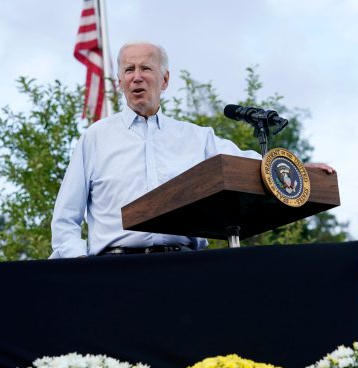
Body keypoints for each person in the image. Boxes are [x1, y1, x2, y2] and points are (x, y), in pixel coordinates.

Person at [50, 41, 334, 258]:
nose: (137, 76)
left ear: (164, 80)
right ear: (119, 82)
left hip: (188, 271)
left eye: (146, 68)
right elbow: (65, 220)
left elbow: (250, 167)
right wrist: (83, 268)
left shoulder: (196, 137)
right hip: (115, 273)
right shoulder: (95, 138)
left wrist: (295, 169)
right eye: (129, 69)